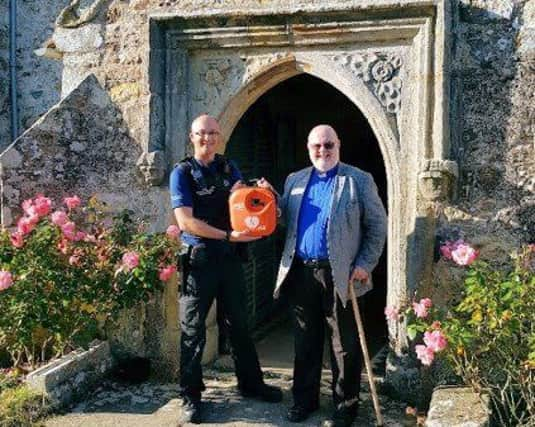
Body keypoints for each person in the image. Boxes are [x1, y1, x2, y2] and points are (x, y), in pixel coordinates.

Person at [170, 114, 283, 424]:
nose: (208, 138)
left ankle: (251, 384)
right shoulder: (182, 173)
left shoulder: (229, 167)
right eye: (202, 133)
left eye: (213, 133)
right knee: (192, 332)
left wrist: (260, 193)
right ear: (192, 137)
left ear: (219, 137)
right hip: (200, 262)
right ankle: (190, 396)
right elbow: (186, 222)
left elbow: (244, 204)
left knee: (240, 326)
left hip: (231, 260)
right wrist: (227, 235)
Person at [272, 124, 387, 427]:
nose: (322, 151)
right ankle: (304, 401)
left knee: (344, 345)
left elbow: (378, 226)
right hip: (301, 272)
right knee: (305, 341)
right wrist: (267, 197)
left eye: (328, 145)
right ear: (308, 148)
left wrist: (365, 263)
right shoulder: (294, 180)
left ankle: (345, 404)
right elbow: (283, 221)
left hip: (344, 274)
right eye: (316, 146)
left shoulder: (358, 180)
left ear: (339, 145)